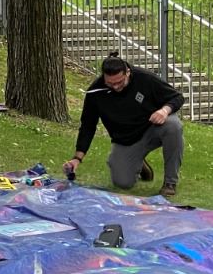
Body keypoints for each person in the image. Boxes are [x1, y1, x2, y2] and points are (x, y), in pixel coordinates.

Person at [64, 53, 184, 197]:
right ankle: (139, 163)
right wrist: (77, 158)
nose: (115, 87)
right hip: (126, 140)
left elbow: (177, 97)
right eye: (110, 83)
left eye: (119, 82)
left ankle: (170, 182)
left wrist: (164, 110)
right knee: (122, 182)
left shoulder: (144, 78)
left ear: (127, 72)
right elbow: (88, 125)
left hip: (152, 129)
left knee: (173, 125)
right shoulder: (95, 92)